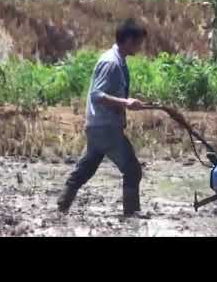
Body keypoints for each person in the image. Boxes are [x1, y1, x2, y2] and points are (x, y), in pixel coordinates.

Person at [57, 18, 149, 218]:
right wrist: (126, 103)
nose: (140, 47)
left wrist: (128, 102)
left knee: (85, 169)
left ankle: (62, 206)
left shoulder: (118, 60)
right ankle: (132, 214)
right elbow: (97, 95)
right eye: (139, 42)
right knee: (132, 170)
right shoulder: (111, 62)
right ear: (128, 40)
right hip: (106, 128)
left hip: (98, 126)